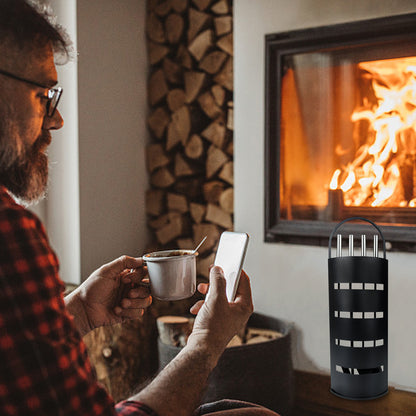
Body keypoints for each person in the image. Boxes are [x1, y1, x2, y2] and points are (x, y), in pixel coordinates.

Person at [0, 1, 280, 415]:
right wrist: (205, 343)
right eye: (44, 94)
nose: (56, 120)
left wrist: (77, 312)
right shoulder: (10, 232)